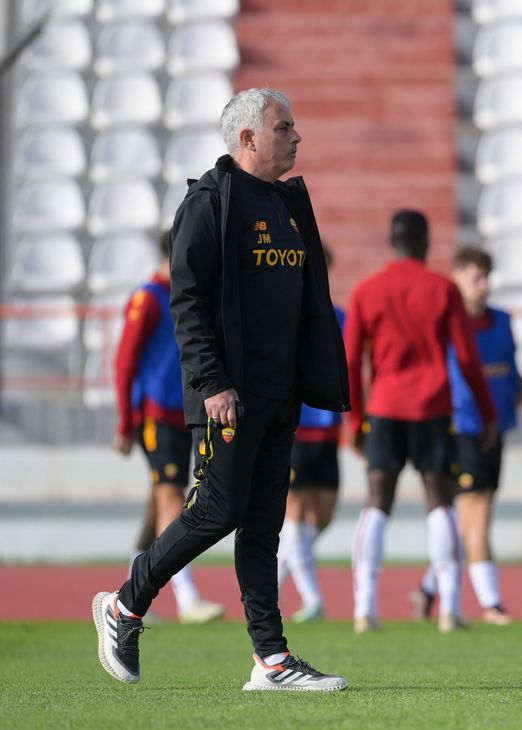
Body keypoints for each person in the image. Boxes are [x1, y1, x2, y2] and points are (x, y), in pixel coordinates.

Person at [93, 87, 350, 692]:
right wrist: (212, 382)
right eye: (285, 127)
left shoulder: (287, 202)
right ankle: (124, 606)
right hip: (228, 396)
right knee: (217, 511)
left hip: (279, 392)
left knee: (263, 524)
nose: (296, 136)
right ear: (248, 138)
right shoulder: (210, 202)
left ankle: (271, 661)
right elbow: (187, 301)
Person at [346, 211, 498, 634]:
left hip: (385, 407)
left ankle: (364, 608)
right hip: (432, 409)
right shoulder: (442, 289)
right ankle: (450, 608)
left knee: (377, 503)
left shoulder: (367, 290)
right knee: (439, 502)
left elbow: (351, 359)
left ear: (391, 242)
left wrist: (355, 420)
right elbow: (467, 357)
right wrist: (487, 412)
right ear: (426, 242)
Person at [411, 248, 522, 625]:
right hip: (461, 427)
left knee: (471, 516)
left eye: (487, 277)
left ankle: (428, 587)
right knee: (477, 512)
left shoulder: (502, 321)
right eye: (476, 277)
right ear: (457, 278)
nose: (484, 285)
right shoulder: (445, 323)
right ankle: (491, 604)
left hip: (496, 427)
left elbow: (510, 370)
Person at [113, 230, 224, 625]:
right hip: (158, 414)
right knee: (172, 499)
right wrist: (126, 421)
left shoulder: (194, 297)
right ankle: (187, 598)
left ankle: (129, 588)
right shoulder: (149, 297)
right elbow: (125, 361)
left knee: (161, 500)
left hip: (189, 414)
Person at [277, 248, 346, 624]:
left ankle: (273, 578)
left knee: (324, 515)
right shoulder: (286, 315)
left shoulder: (339, 317)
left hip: (328, 431)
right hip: (296, 428)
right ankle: (314, 599)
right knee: (296, 512)